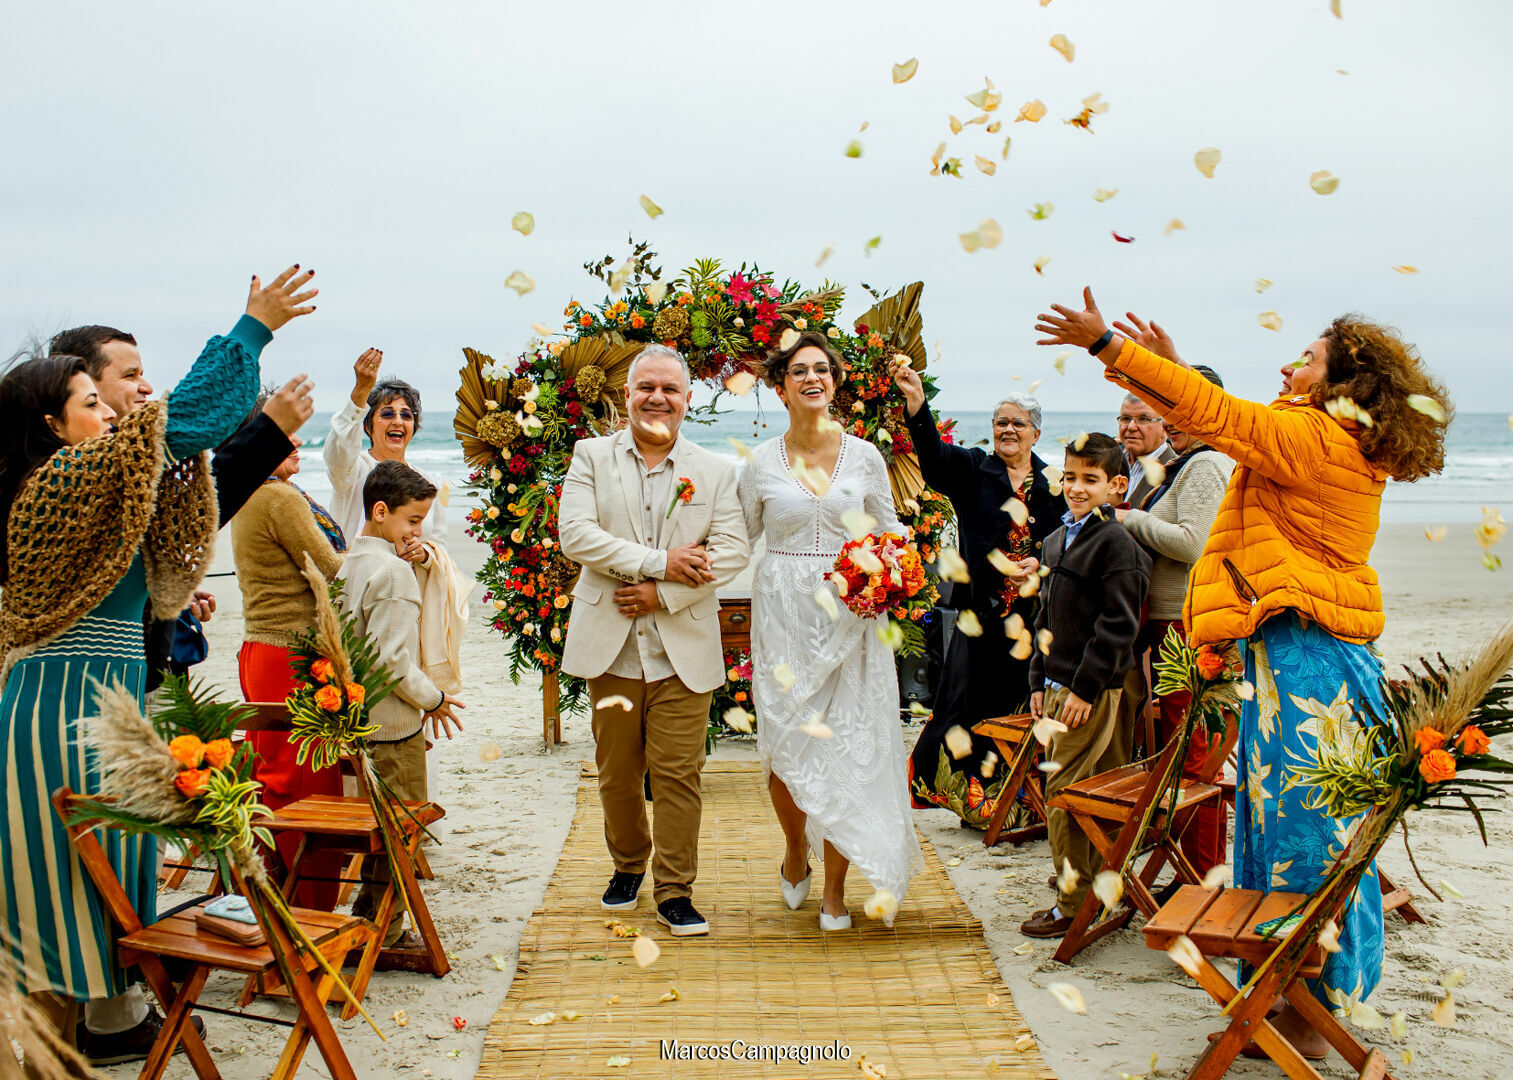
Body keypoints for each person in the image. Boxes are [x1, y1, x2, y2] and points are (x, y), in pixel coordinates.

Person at [1035, 287, 1450, 1059]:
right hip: (1300, 652)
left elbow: (1226, 420)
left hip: (1304, 658)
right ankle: (1294, 994)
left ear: (1340, 381)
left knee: (1303, 839)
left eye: (1310, 357)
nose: (1290, 362)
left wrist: (1109, 349)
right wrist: (1163, 367)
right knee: (1287, 829)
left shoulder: (1317, 435)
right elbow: (1220, 425)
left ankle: (1310, 1012)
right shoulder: (1320, 436)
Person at [0, 265, 313, 1063]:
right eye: (96, 402)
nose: (116, 413)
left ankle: (104, 1027)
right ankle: (47, 1052)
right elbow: (182, 426)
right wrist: (252, 327)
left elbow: (164, 491)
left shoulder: (92, 486)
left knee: (113, 872)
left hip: (100, 703)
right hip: (64, 710)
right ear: (52, 423)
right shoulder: (60, 481)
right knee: (61, 890)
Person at [559, 345, 749, 937]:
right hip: (610, 647)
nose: (657, 398)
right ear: (628, 394)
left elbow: (734, 551)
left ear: (688, 399)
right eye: (646, 387)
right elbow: (576, 536)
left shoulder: (715, 471)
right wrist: (659, 562)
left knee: (678, 774)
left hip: (682, 649)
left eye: (670, 388)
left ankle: (674, 889)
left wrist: (662, 593)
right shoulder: (590, 456)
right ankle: (627, 865)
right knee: (616, 771)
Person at [738, 331, 924, 931]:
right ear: (780, 386)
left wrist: (889, 571)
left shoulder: (866, 456)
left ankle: (837, 891)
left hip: (852, 616)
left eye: (823, 369)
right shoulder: (760, 462)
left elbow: (891, 532)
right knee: (788, 745)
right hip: (783, 617)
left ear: (835, 382)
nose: (813, 378)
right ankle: (796, 850)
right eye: (800, 371)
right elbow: (738, 538)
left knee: (847, 745)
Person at [48, 328, 316, 689]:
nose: (146, 387)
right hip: (98, 688)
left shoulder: (124, 468)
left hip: (149, 672)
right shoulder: (71, 480)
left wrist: (166, 589)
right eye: (130, 375)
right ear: (73, 387)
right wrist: (254, 330)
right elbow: (199, 504)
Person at [891, 364, 1063, 829]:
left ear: (1035, 432)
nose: (1008, 430)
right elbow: (931, 458)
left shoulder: (1054, 485)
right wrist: (916, 405)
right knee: (969, 706)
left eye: (1018, 423)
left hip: (1032, 621)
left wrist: (1042, 566)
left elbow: (1070, 542)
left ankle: (1023, 803)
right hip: (978, 620)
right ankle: (976, 802)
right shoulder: (972, 470)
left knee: (1019, 706)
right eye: (1001, 423)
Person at [1021, 432, 1151, 938]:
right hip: (1055, 684)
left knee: (1065, 792)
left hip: (1089, 692)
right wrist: (1037, 678)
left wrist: (1083, 690)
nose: (1077, 488)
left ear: (1117, 485)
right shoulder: (1057, 539)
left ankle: (1073, 902)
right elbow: (1045, 616)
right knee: (1080, 788)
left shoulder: (1116, 543)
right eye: (1070, 477)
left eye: (1090, 480)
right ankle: (1099, 887)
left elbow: (1119, 628)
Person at [1113, 351, 1234, 878]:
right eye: (1169, 410)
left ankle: (1200, 878)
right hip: (1173, 623)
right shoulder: (1191, 462)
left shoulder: (1206, 464)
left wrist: (1130, 518)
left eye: (1178, 410)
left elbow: (1195, 544)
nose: (1171, 423)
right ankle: (1188, 866)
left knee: (1192, 756)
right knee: (1185, 749)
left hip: (1186, 626)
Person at [339, 460, 466, 949]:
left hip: (353, 722)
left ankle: (370, 916)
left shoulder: (350, 563)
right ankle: (385, 932)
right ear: (379, 510)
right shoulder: (392, 574)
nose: (418, 531)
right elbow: (391, 662)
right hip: (392, 727)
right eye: (412, 520)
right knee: (400, 831)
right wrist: (433, 699)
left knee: (375, 831)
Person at [230, 395, 348, 910]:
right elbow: (329, 569)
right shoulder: (279, 497)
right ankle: (309, 916)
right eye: (285, 432)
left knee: (269, 779)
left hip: (259, 649)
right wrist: (385, 551)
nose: (298, 441)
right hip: (291, 656)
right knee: (309, 788)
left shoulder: (247, 493)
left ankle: (267, 901)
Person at [325, 349, 446, 547]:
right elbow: (338, 451)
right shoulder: (353, 470)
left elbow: (439, 543)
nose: (398, 421)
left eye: (406, 415)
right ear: (367, 426)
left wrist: (424, 555)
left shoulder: (426, 480)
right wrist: (360, 391)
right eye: (388, 414)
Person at [1118, 393, 1174, 511]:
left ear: (1165, 426)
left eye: (1143, 419)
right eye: (1126, 419)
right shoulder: (1108, 461)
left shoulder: (1176, 471)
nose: (1131, 427)